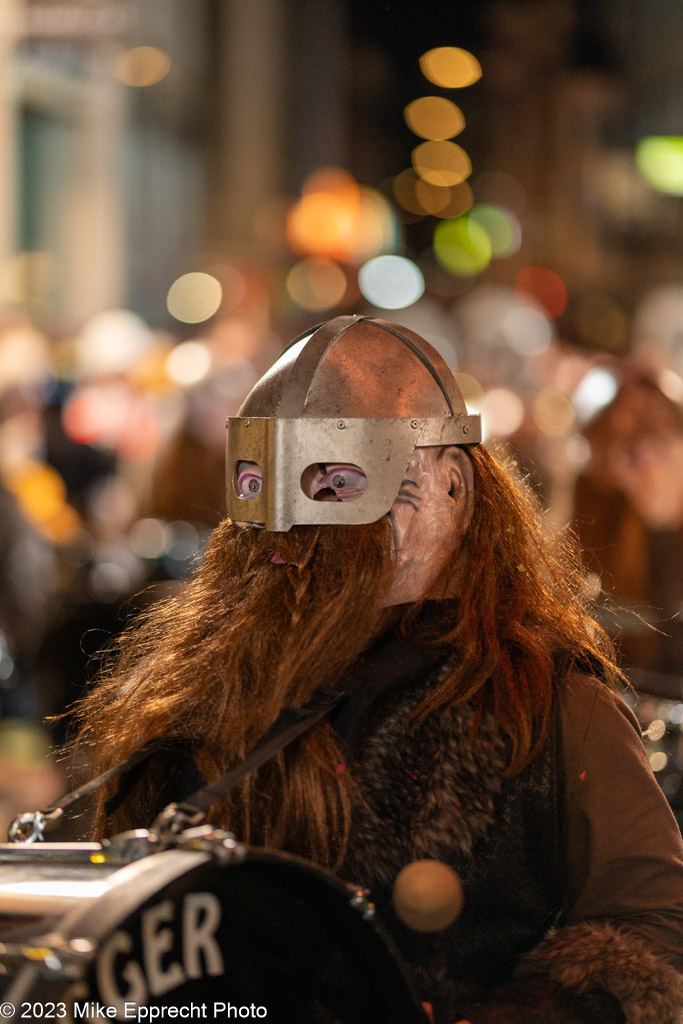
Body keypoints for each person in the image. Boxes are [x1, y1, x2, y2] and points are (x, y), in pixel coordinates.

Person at [73, 316, 683, 1024]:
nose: (304, 534)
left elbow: (650, 928)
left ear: (451, 488)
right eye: (275, 491)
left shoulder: (547, 699)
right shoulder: (202, 690)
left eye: (340, 482)